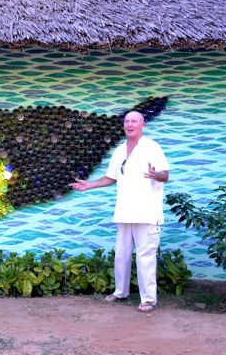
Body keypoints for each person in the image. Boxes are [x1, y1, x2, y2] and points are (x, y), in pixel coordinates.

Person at [69, 110, 169, 313]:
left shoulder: (152, 147)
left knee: (145, 256)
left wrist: (155, 174)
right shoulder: (120, 150)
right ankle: (120, 292)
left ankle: (148, 300)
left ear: (143, 125)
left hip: (147, 212)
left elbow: (165, 175)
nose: (129, 124)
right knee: (121, 255)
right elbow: (110, 178)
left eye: (134, 121)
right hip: (125, 211)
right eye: (127, 121)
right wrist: (89, 185)